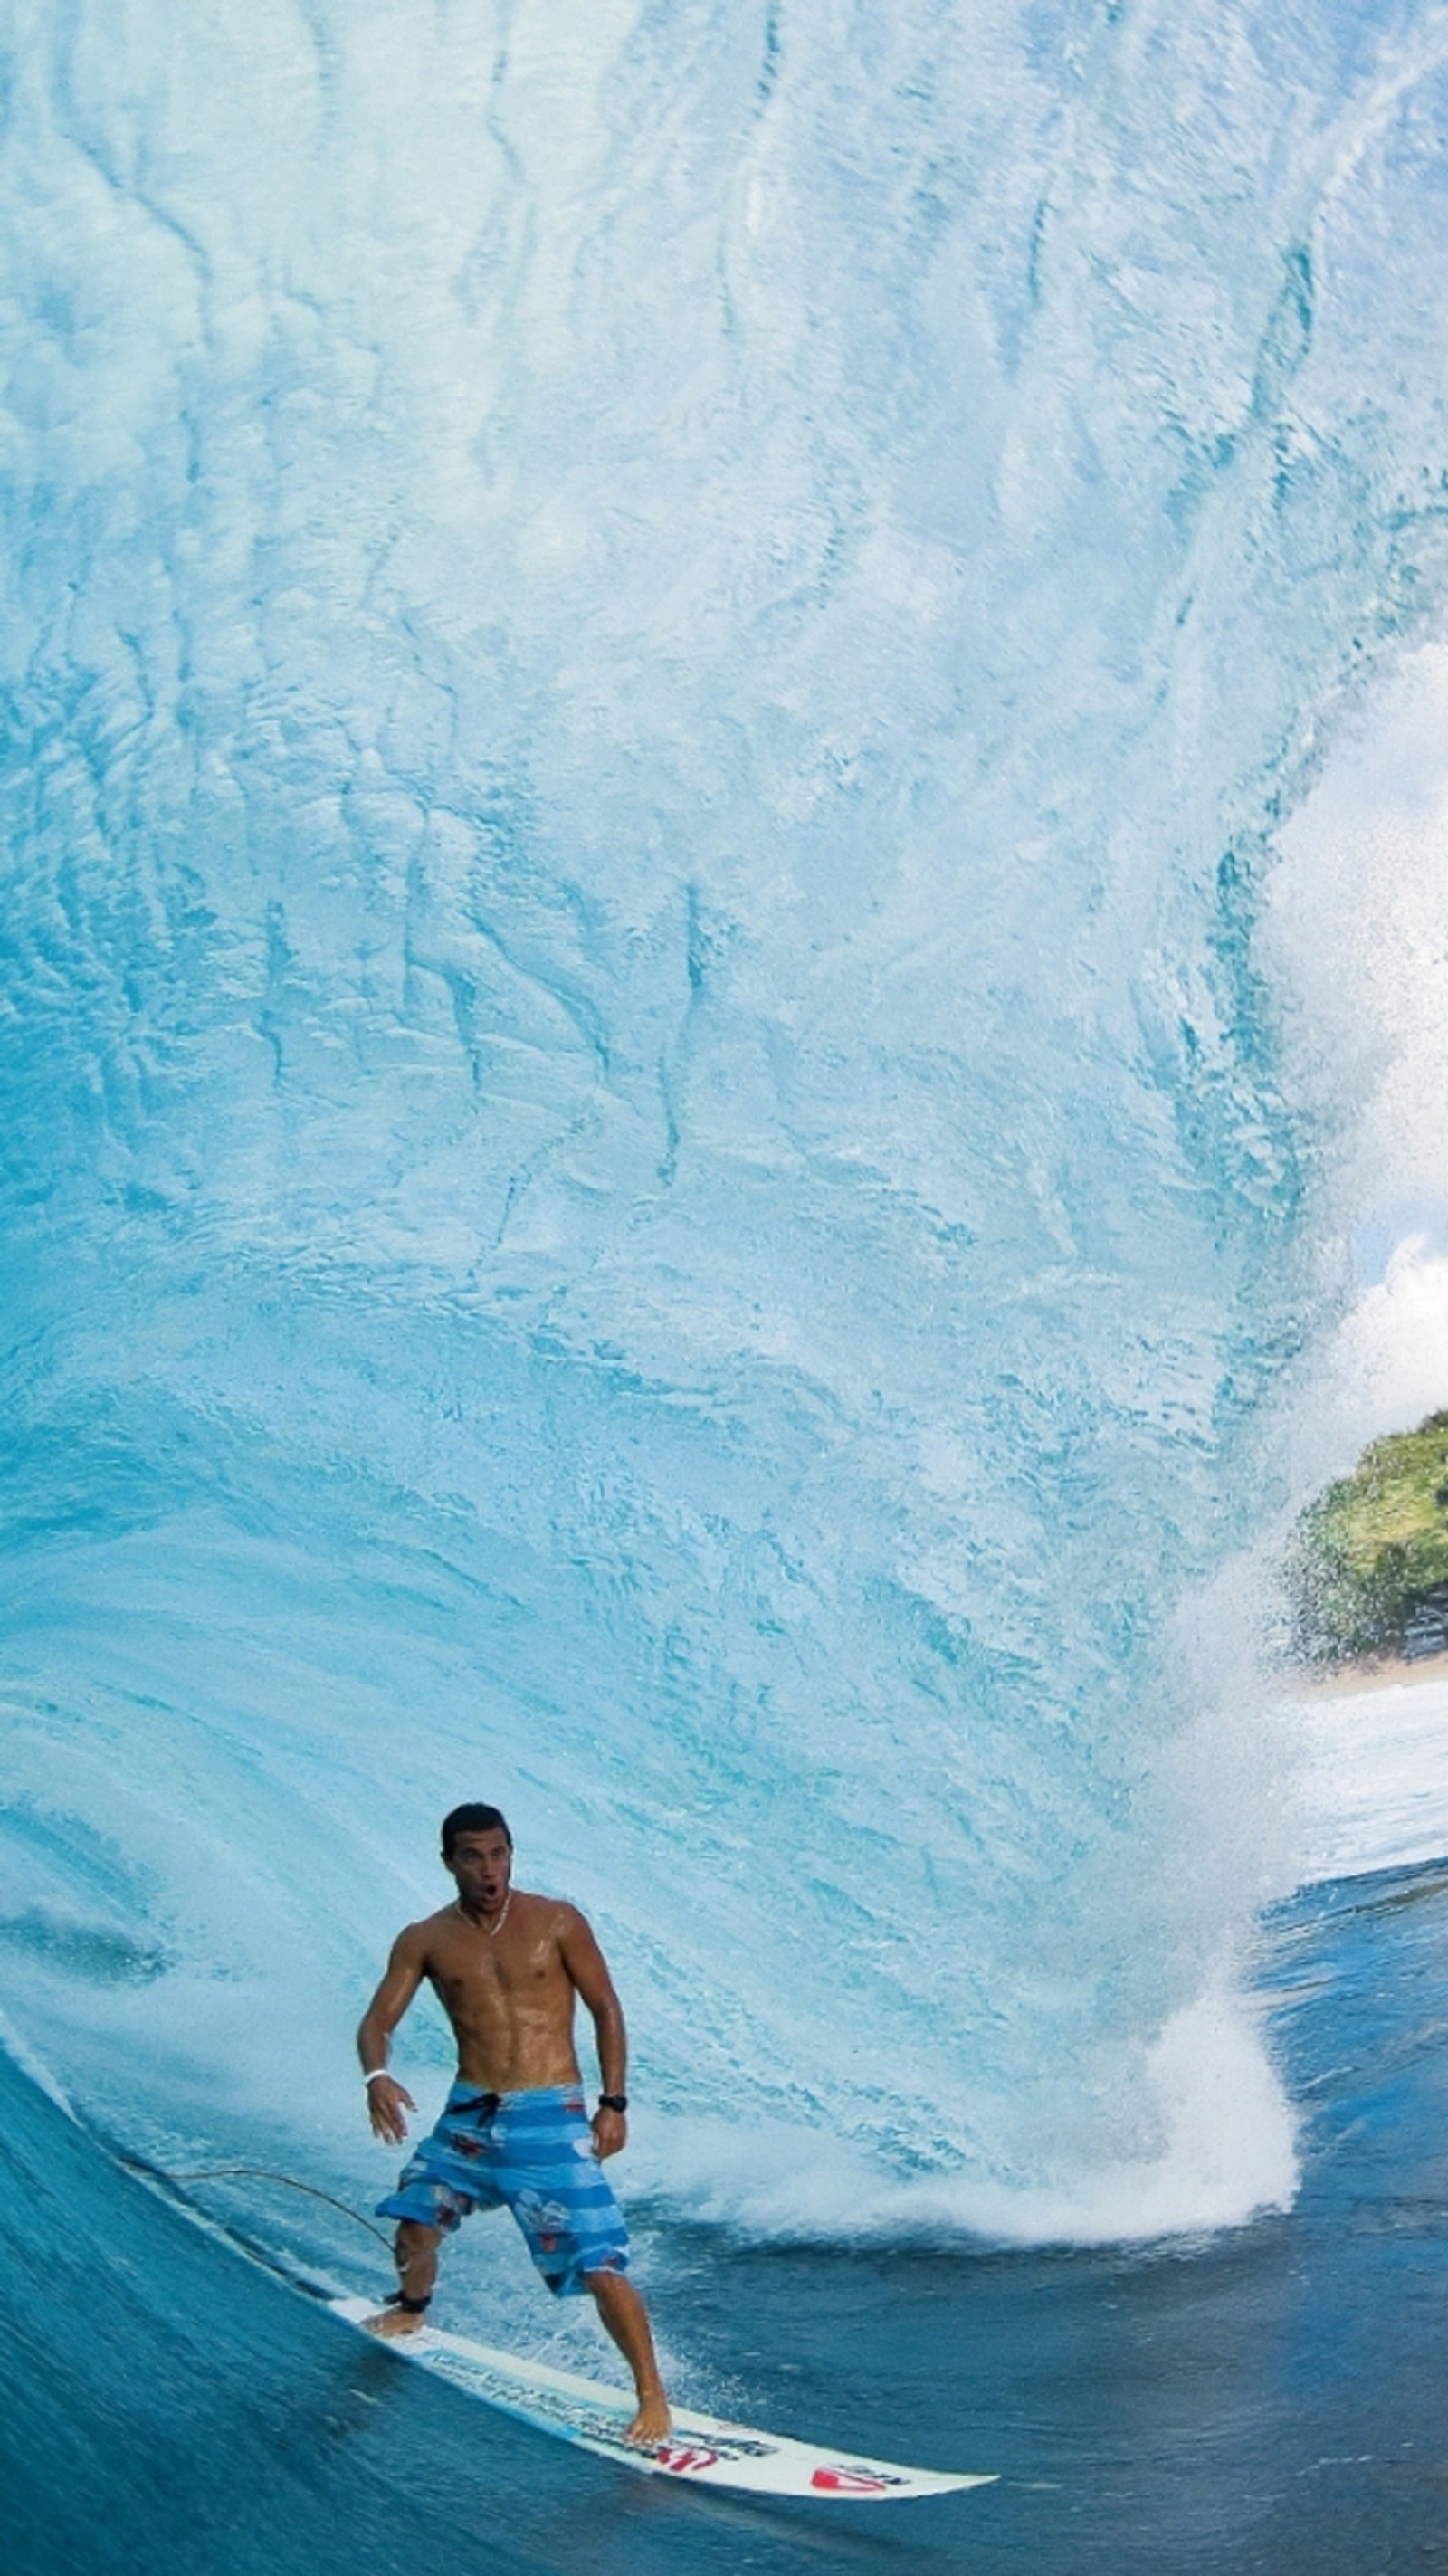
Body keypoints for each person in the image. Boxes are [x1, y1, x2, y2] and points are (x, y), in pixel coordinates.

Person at [357, 1801, 670, 2444]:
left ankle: (652, 2397)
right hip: (471, 2113)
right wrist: (376, 2076)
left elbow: (606, 2009)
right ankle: (412, 2311)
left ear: (511, 1854)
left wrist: (614, 2104)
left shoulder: (557, 1922)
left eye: (498, 1853)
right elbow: (377, 2021)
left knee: (597, 2263)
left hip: (547, 2115)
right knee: (416, 2217)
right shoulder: (425, 1938)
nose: (488, 1869)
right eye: (472, 1856)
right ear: (448, 1862)